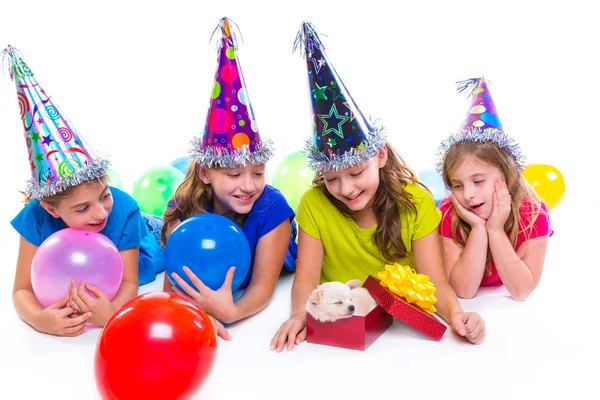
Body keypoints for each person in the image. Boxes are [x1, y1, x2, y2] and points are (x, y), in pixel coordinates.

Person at [270, 22, 486, 352]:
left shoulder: (415, 201)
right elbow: (306, 278)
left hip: (398, 327)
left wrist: (456, 314)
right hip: (342, 316)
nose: (346, 188)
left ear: (380, 155)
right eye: (331, 179)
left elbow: (435, 282)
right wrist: (300, 314)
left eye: (356, 172)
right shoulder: (315, 203)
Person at [4, 45, 163, 336]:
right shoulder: (35, 216)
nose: (101, 211)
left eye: (104, 194)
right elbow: (22, 290)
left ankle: (160, 220)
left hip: (142, 238)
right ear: (51, 209)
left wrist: (112, 313)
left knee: (162, 232)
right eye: (82, 208)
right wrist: (40, 320)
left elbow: (129, 282)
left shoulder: (123, 208)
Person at [161, 18, 297, 339]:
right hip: (182, 212)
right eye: (234, 173)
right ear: (206, 172)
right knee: (156, 235)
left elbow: (263, 286)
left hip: (278, 247)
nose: (249, 185)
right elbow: (174, 284)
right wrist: (195, 313)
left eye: (259, 172)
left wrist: (231, 312)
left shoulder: (271, 206)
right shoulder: (184, 203)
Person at [436, 77, 553, 301]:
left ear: (507, 175)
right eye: (457, 185)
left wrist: (496, 231)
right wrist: (479, 229)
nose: (468, 194)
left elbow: (521, 291)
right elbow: (464, 291)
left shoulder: (533, 215)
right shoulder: (449, 213)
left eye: (478, 181)